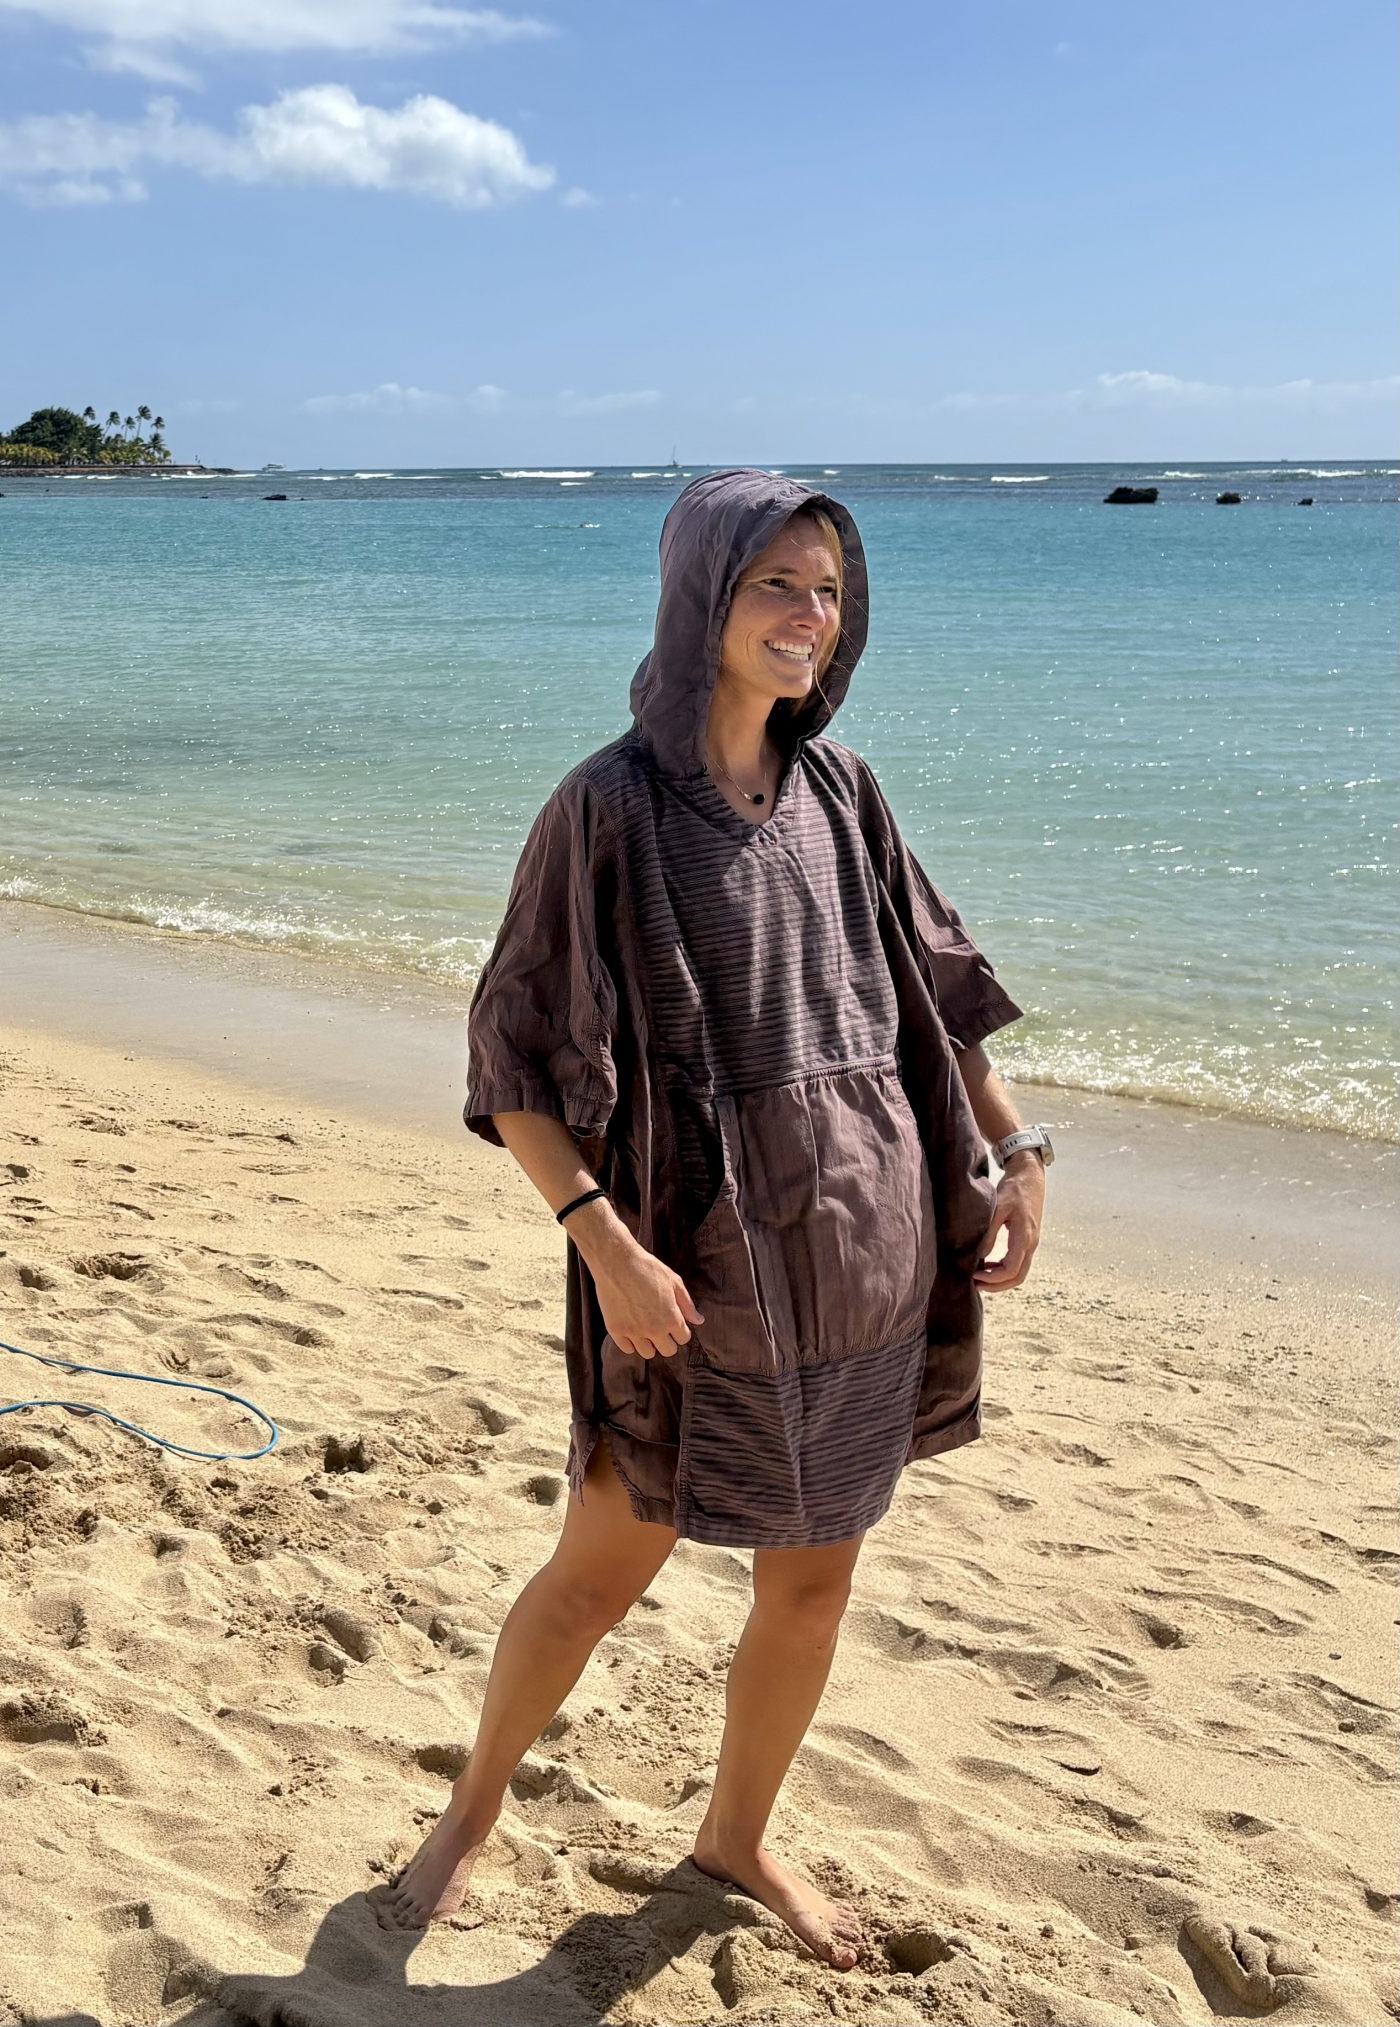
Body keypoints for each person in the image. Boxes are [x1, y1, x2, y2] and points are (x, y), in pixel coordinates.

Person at [377, 470, 1049, 1966]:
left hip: (868, 1250)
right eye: (774, 587)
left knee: (814, 1579)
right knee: (600, 1571)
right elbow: (518, 1056)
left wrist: (1015, 1148)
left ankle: (735, 1838)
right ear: (702, 602)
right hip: (690, 1266)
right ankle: (471, 1811)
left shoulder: (845, 790)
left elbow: (938, 992)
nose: (808, 617)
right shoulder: (605, 808)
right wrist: (607, 1245)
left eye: (826, 590)